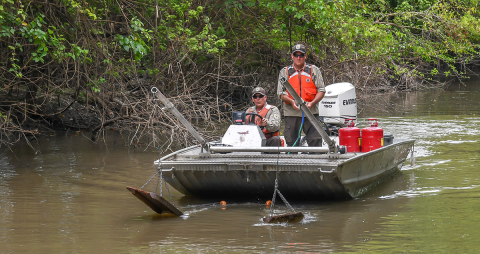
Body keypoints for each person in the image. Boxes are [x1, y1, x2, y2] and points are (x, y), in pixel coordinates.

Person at [276, 43, 326, 147]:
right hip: (291, 113)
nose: (298, 58)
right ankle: (293, 162)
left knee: (315, 140)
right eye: (296, 55)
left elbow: (321, 90)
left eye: (301, 55)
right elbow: (280, 93)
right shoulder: (284, 72)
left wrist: (311, 103)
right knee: (291, 141)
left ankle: (316, 161)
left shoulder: (314, 70)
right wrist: (291, 101)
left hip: (311, 112)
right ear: (292, 56)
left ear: (305, 56)